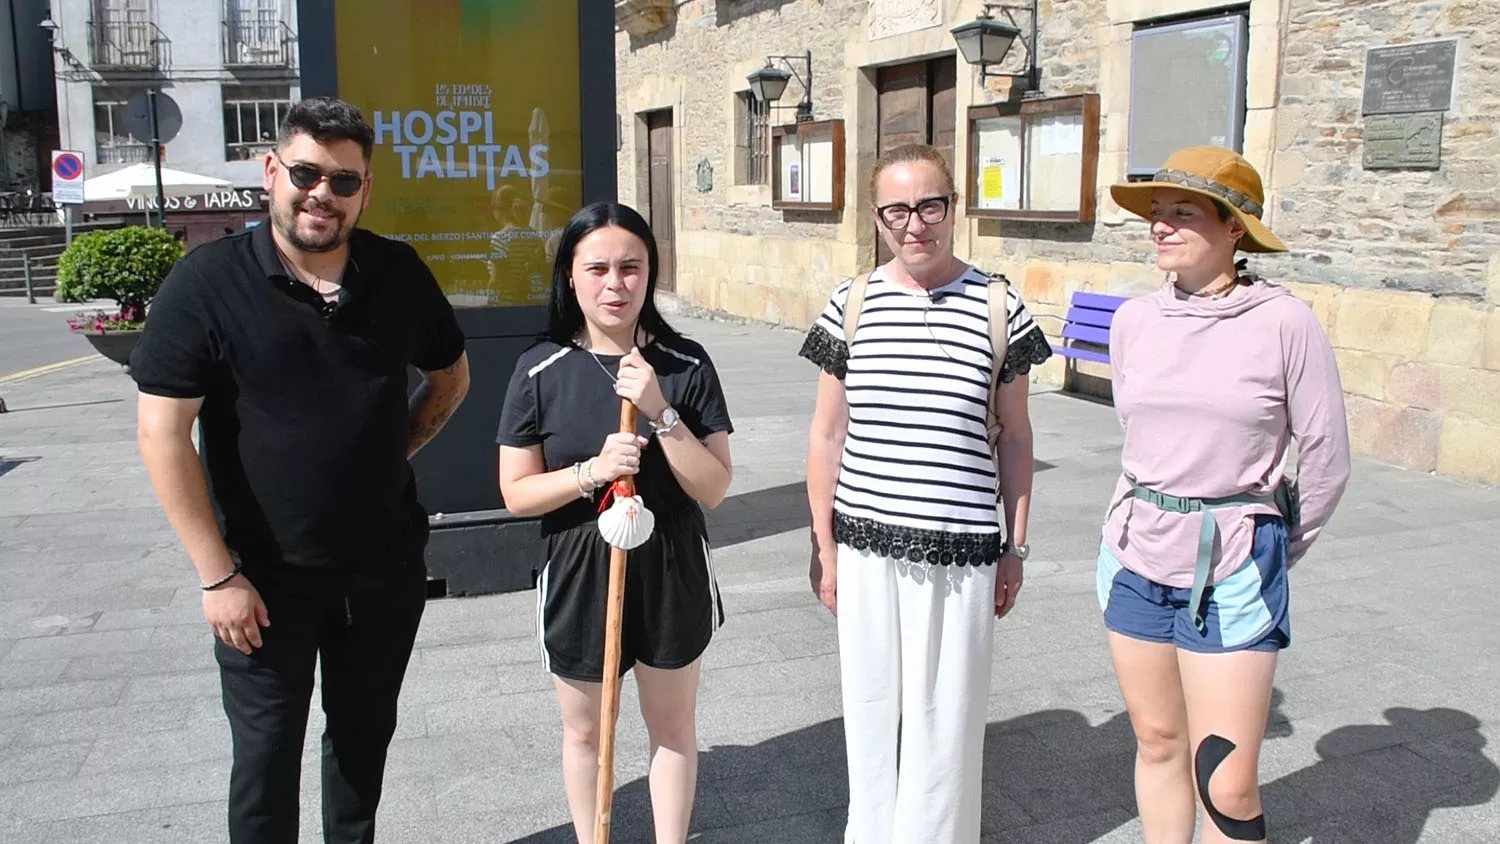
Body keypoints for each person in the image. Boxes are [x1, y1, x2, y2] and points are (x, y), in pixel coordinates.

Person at [131, 96, 471, 844]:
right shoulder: (206, 284)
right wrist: (217, 577)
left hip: (381, 571)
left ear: (365, 190)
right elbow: (162, 435)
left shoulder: (396, 273)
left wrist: (386, 454)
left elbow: (451, 379)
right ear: (271, 172)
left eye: (343, 181)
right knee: (264, 761)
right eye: (306, 173)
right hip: (259, 581)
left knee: (362, 744)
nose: (322, 194)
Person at [800, 143, 1053, 844]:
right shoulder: (850, 304)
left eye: (930, 206)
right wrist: (824, 548)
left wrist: (1015, 546)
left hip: (962, 549)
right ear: (877, 216)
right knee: (870, 710)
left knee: (948, 722)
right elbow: (826, 434)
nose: (915, 225)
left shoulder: (999, 305)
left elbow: (1017, 436)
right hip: (865, 543)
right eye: (897, 210)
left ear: (953, 207)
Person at [1099, 146, 1351, 844]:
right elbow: (1138, 434)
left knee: (1227, 780)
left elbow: (1326, 459)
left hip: (1235, 563)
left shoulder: (1284, 323)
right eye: (1157, 212)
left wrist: (1271, 546)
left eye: (1183, 212)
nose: (1161, 225)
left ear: (1234, 227)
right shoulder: (1134, 321)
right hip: (1135, 557)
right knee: (1158, 741)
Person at [496, 201, 733, 844]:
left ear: (649, 273)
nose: (615, 284)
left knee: (673, 727)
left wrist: (661, 412)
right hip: (579, 563)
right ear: (570, 276)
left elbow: (713, 486)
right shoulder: (539, 369)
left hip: (671, 558)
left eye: (631, 267)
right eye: (596, 268)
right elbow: (516, 492)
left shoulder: (685, 363)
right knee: (584, 731)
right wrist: (592, 472)